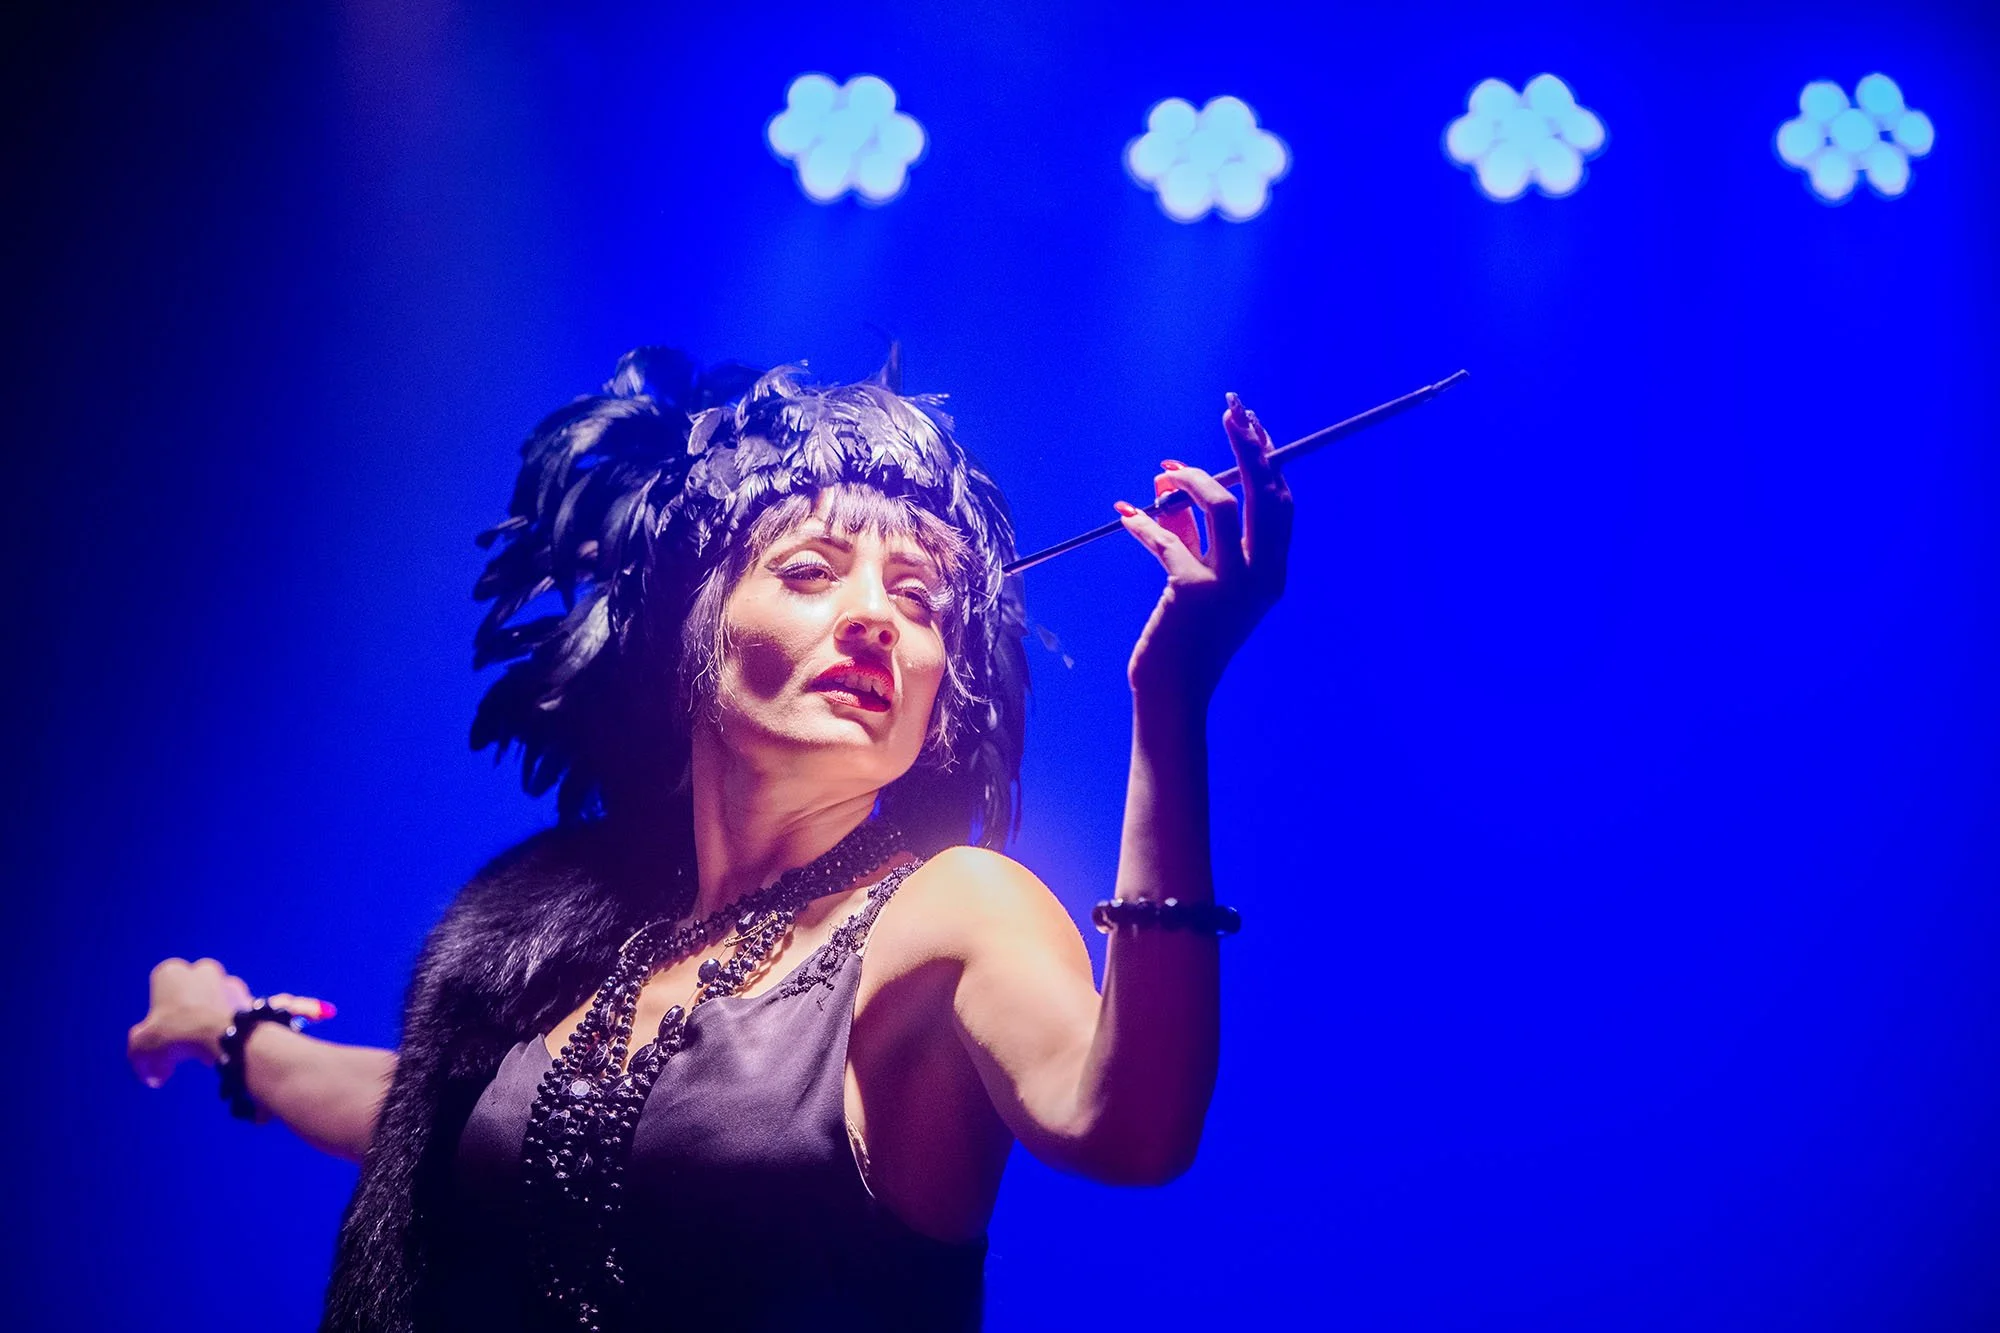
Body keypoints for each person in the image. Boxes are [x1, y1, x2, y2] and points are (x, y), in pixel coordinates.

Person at [127, 348, 1293, 1331]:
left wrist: (1169, 701)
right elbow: (427, 1117)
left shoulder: (953, 909)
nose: (876, 619)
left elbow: (1129, 1125)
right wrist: (230, 1032)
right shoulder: (575, 940)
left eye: (919, 599)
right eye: (810, 571)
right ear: (689, 634)